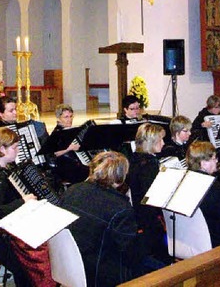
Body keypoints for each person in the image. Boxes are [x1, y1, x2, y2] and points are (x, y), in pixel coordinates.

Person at [0, 127, 55, 287]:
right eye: (15, 148)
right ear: (2, 149)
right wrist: (24, 201)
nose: (18, 150)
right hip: (7, 238)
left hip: (12, 224)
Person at [61, 151, 138, 286]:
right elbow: (130, 251)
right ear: (120, 177)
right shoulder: (120, 208)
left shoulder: (72, 190)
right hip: (100, 275)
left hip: (69, 264)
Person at [126, 123, 168, 267]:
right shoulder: (149, 165)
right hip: (150, 219)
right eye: (160, 140)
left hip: (139, 212)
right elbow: (155, 196)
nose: (163, 143)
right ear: (150, 143)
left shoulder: (135, 158)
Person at [50, 104, 89, 184]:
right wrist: (69, 148)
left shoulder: (69, 130)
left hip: (72, 162)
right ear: (59, 118)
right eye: (66, 117)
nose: (70, 119)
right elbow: (55, 153)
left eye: (71, 116)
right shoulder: (57, 133)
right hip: (65, 167)